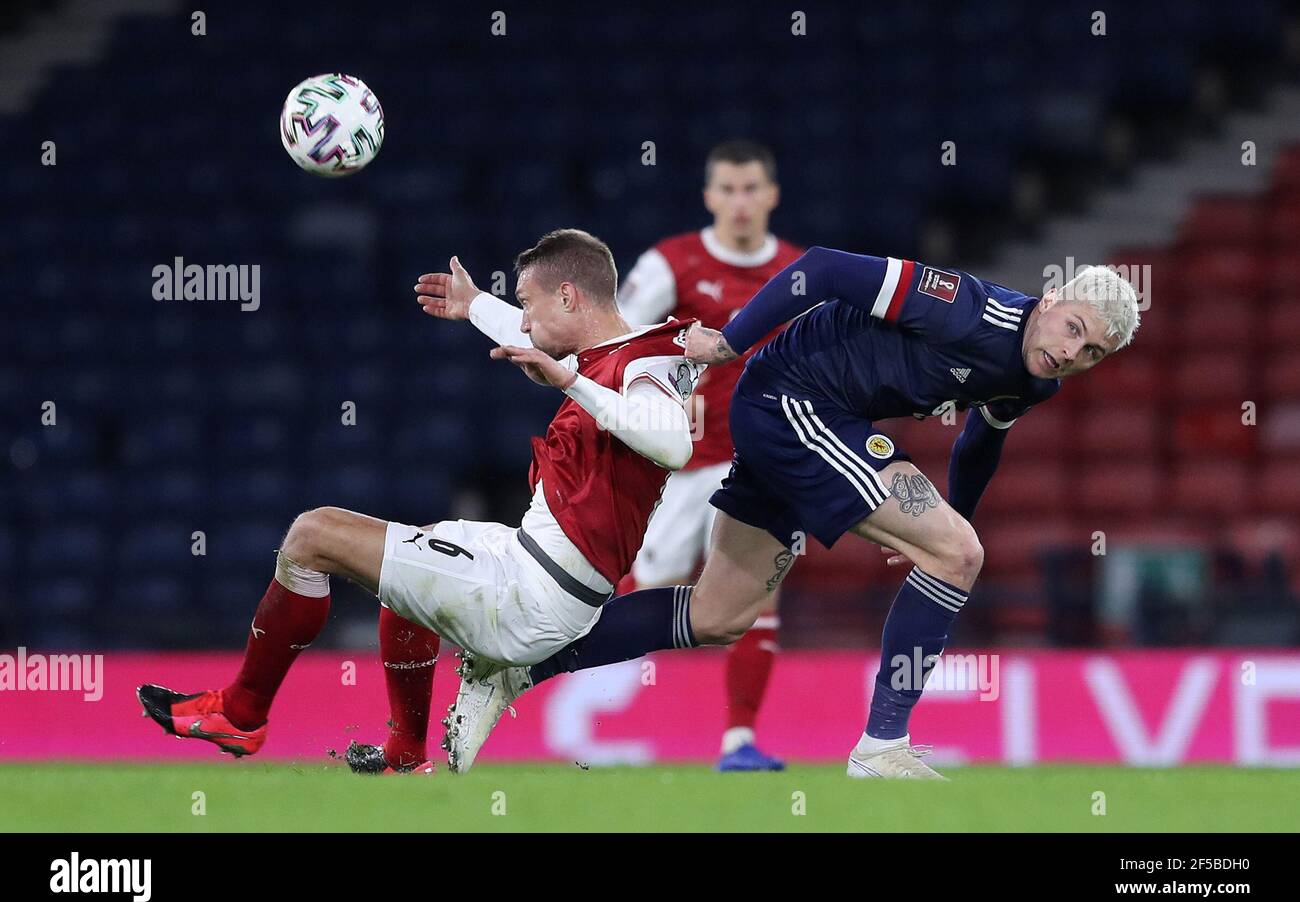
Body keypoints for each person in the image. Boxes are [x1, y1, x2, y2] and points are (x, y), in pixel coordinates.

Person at [445, 250, 1141, 778]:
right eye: (1075, 328)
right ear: (1051, 298)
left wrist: (951, 522)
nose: (1072, 352)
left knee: (721, 614)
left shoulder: (1038, 375)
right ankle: (883, 746)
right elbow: (825, 267)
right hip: (791, 399)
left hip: (804, 414)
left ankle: (510, 670)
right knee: (959, 553)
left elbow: (981, 439)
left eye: (1092, 353)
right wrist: (730, 340)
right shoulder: (964, 306)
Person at [136, 229, 702, 768]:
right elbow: (541, 341)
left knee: (312, 535)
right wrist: (477, 304)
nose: (524, 320)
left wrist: (570, 383)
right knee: (411, 567)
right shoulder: (614, 351)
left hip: (537, 594)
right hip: (537, 563)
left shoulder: (639, 367)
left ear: (568, 296)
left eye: (529, 303)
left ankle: (241, 713)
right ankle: (404, 758)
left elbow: (674, 445)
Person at [618, 139, 802, 771]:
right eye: (727, 189)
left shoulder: (801, 272)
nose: (740, 202)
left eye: (751, 188)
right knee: (649, 586)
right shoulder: (673, 264)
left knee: (758, 594)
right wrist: (655, 399)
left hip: (765, 464)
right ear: (708, 196)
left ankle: (739, 741)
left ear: (772, 194)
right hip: (684, 465)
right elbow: (617, 345)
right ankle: (530, 653)